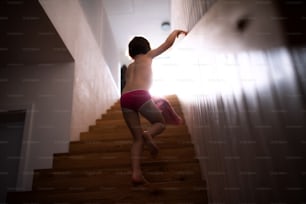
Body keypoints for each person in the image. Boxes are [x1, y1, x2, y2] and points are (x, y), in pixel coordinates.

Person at [120, 29, 188, 185]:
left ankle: (136, 173)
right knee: (160, 122)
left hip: (125, 99)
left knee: (136, 140)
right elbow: (167, 44)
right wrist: (176, 32)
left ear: (131, 54)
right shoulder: (148, 56)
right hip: (140, 95)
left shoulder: (130, 67)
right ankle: (148, 134)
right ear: (147, 49)